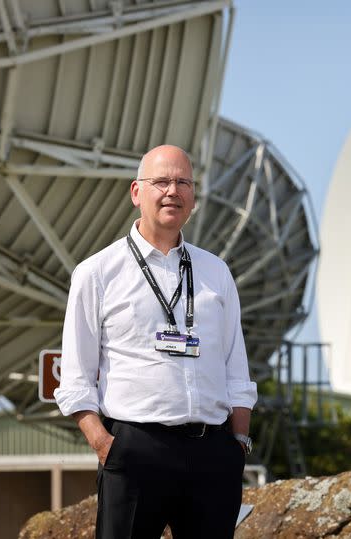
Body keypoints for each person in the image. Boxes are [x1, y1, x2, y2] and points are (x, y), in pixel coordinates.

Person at [54, 145, 257, 539]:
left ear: (194, 196)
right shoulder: (97, 273)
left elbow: (236, 367)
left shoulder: (216, 272)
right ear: (136, 192)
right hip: (134, 450)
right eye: (161, 181)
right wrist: (105, 445)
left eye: (183, 182)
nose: (172, 191)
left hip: (213, 452)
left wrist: (238, 445)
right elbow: (77, 378)